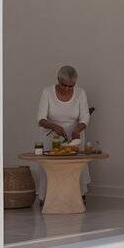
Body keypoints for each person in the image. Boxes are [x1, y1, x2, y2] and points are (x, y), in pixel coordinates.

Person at [35, 65, 91, 201]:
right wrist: (54, 126)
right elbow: (40, 119)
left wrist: (77, 129)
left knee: (75, 167)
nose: (67, 88)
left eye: (71, 86)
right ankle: (48, 198)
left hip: (75, 136)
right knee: (50, 167)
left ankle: (77, 196)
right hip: (51, 136)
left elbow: (85, 117)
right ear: (58, 79)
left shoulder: (80, 93)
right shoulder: (47, 92)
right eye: (64, 85)